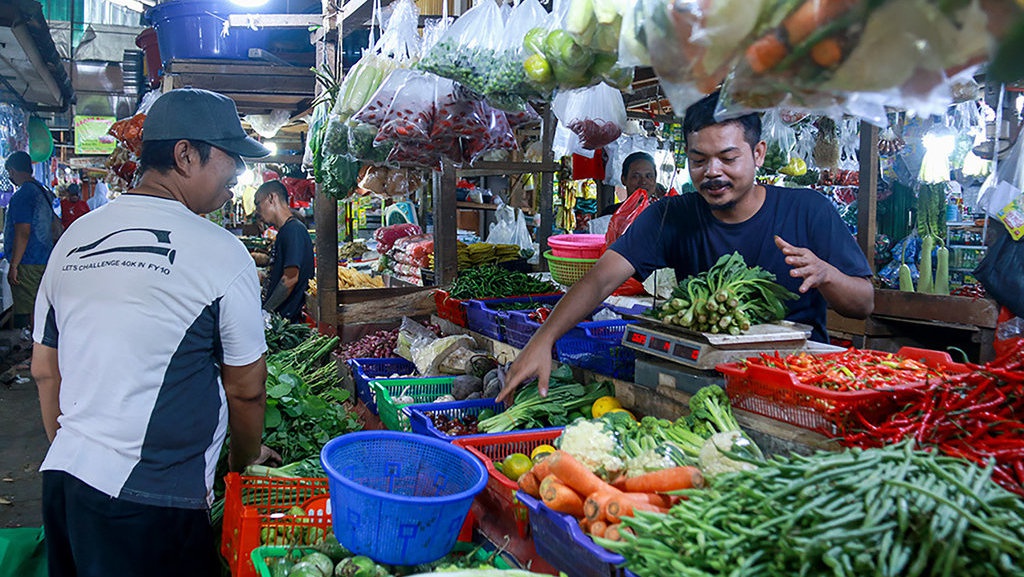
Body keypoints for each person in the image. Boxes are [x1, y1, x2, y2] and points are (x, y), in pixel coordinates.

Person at [31, 88, 272, 577]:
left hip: (64, 482)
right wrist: (241, 464)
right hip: (155, 500)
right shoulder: (221, 252)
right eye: (233, 160)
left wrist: (85, 453)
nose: (238, 178)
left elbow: (44, 371)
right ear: (186, 155)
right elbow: (247, 391)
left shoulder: (73, 240)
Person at [499, 91, 874, 400]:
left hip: (795, 388)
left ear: (757, 154)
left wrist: (827, 275)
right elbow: (599, 281)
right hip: (704, 386)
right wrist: (543, 339)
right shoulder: (671, 215)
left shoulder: (808, 211)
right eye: (699, 160)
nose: (712, 172)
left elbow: (862, 304)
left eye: (728, 158)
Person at [3, 151, 56, 337]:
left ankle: (36, 350)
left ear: (12, 170)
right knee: (39, 305)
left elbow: (23, 232)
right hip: (44, 258)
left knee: (32, 308)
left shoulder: (23, 195)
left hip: (28, 261)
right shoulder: (41, 190)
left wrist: (14, 265)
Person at [255, 179, 314, 323]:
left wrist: (265, 312)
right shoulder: (285, 231)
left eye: (258, 204)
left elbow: (290, 278)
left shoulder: (293, 230)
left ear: (271, 198)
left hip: (288, 323)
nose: (257, 211)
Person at [599, 151, 660, 217]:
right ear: (624, 179)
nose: (643, 182)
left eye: (649, 176)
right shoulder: (611, 214)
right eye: (636, 176)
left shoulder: (663, 214)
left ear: (655, 180)